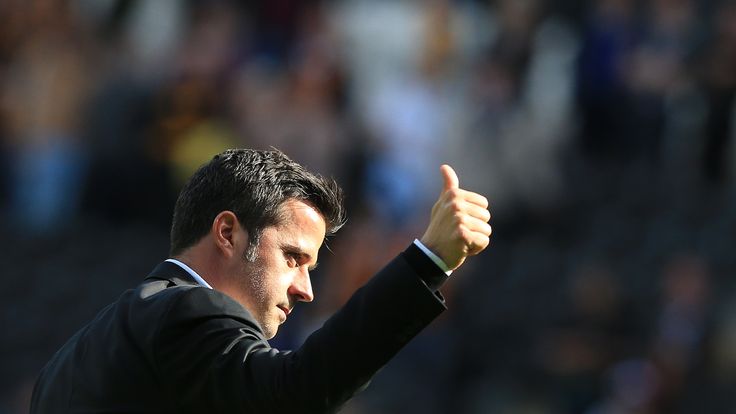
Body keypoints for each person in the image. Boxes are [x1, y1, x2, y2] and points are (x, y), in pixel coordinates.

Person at [30, 148, 492, 413]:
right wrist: (430, 259)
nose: (306, 289)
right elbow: (293, 391)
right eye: (293, 257)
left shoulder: (68, 361)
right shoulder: (186, 310)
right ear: (227, 233)